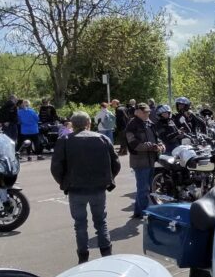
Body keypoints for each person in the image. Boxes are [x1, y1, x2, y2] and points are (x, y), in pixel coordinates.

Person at [50, 111, 120, 264]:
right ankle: (107, 255)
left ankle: (83, 257)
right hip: (97, 188)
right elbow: (116, 163)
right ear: (88, 123)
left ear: (73, 125)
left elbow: (56, 167)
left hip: (76, 189)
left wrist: (64, 182)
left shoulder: (65, 140)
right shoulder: (102, 138)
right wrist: (107, 180)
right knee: (101, 222)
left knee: (80, 225)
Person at [125, 103, 163, 218]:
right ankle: (144, 213)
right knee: (143, 189)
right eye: (145, 112)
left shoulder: (149, 123)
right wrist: (150, 147)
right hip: (140, 161)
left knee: (146, 188)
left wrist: (161, 145)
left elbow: (157, 137)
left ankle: (138, 212)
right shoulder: (132, 125)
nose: (148, 113)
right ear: (137, 112)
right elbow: (133, 144)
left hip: (151, 160)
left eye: (148, 112)